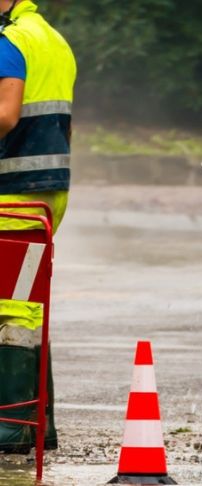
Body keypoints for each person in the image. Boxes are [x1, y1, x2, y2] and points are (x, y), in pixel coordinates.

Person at [0, 0, 76, 454]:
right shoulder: (54, 40)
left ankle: (11, 424)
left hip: (13, 190)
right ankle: (36, 421)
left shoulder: (10, 41)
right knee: (26, 298)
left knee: (11, 304)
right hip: (49, 188)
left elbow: (7, 114)